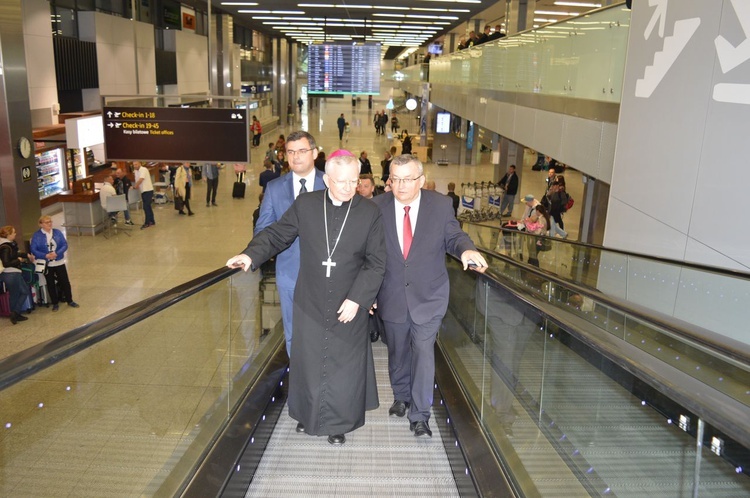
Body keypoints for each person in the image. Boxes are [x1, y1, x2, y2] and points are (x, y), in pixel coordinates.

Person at [227, 152, 385, 446]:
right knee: (309, 361)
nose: (349, 188)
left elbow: (376, 262)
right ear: (326, 180)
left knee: (343, 364)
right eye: (341, 182)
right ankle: (309, 414)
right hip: (310, 298)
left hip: (348, 302)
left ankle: (338, 422)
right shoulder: (307, 205)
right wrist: (250, 254)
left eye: (354, 181)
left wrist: (357, 299)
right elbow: (277, 235)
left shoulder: (370, 212)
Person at [372, 154, 488, 438]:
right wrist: (369, 291)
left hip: (430, 295)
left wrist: (466, 250)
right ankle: (401, 396)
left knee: (423, 351)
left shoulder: (440, 205)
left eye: (408, 179)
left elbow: (453, 235)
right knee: (398, 351)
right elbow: (368, 254)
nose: (400, 186)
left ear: (421, 180)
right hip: (391, 294)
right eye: (395, 179)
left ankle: (420, 415)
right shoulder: (376, 207)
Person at [254, 131, 326, 356]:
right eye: (290, 152)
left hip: (326, 273)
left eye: (302, 151)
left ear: (314, 153)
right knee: (293, 333)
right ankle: (299, 382)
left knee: (324, 331)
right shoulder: (275, 188)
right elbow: (263, 229)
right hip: (289, 274)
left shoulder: (330, 183)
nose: (295, 157)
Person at [30, 216, 79, 311]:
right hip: (47, 263)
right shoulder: (37, 235)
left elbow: (65, 244)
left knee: (65, 282)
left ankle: (70, 300)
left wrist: (57, 253)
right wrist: (46, 255)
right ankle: (55, 303)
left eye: (50, 221)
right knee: (50, 283)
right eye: (46, 222)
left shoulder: (57, 232)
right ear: (41, 224)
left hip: (59, 261)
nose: (49, 224)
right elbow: (33, 249)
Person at [0, 225, 33, 324]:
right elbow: (6, 263)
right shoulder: (5, 247)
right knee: (20, 292)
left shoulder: (8, 244)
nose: (15, 234)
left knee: (19, 293)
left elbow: (14, 254)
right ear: (8, 234)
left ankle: (15, 314)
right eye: (13, 232)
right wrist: (18, 260)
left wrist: (25, 255)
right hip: (11, 273)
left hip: (11, 274)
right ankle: (14, 313)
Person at [133, 161, 155, 229]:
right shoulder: (136, 171)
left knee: (146, 207)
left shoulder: (144, 169)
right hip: (143, 191)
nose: (135, 166)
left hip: (148, 190)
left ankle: (147, 223)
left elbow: (141, 179)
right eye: (134, 165)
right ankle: (152, 221)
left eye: (136, 164)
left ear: (140, 164)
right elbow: (137, 180)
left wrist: (135, 186)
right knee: (148, 207)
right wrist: (135, 186)